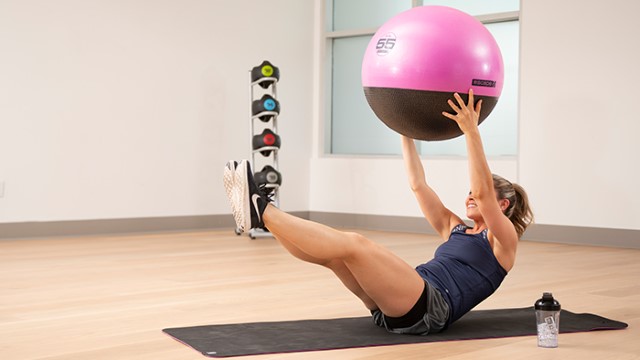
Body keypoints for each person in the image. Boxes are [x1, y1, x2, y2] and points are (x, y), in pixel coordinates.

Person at [223, 89, 533, 335]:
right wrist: (404, 129)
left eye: (478, 196)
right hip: (401, 299)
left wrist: (471, 132)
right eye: (468, 194)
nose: (470, 197)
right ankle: (267, 217)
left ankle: (262, 212)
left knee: (356, 243)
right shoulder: (456, 228)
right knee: (335, 257)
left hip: (429, 308)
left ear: (502, 204)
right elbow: (418, 185)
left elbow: (481, 191)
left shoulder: (502, 241)